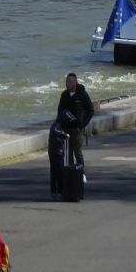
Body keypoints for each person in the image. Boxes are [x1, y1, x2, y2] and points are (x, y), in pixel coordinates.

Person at [48, 72, 95, 201]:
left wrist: (83, 124)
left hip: (77, 129)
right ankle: (69, 175)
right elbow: (59, 111)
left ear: (75, 82)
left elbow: (91, 110)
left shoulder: (82, 95)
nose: (68, 84)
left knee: (77, 151)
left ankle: (81, 172)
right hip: (65, 128)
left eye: (70, 81)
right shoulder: (64, 95)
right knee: (67, 154)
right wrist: (59, 124)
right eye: (66, 81)